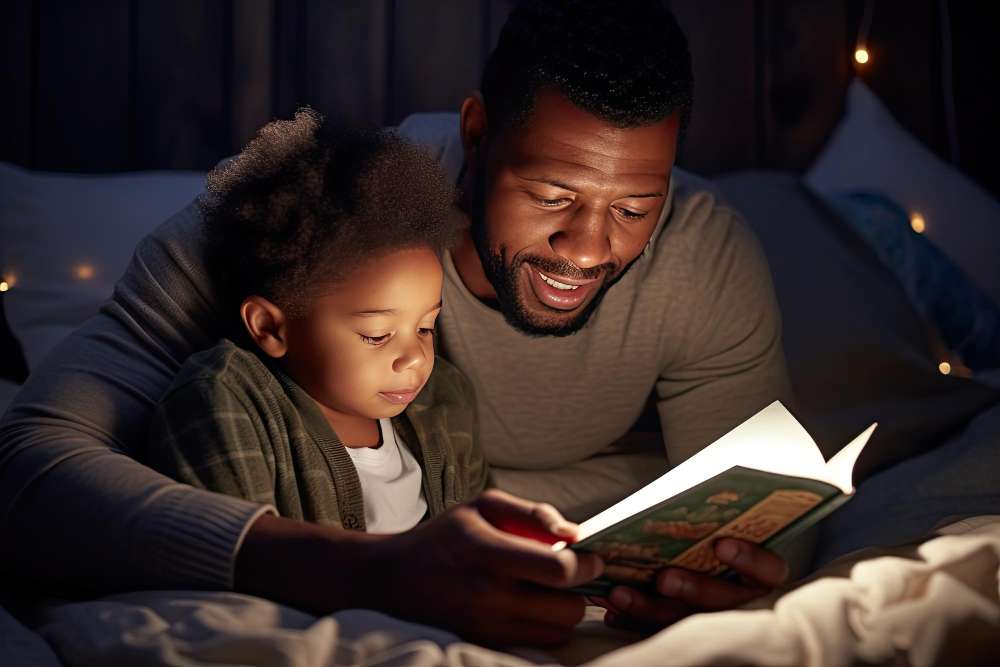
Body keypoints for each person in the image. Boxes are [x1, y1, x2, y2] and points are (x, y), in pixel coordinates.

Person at [0, 0, 789, 644]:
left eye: (632, 209)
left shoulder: (705, 258)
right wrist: (372, 568)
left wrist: (728, 575)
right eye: (551, 196)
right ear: (475, 132)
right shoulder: (317, 213)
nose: (587, 247)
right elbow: (25, 468)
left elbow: (760, 516)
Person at [143, 114, 493, 533]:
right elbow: (247, 566)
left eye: (426, 327)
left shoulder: (446, 400)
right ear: (271, 328)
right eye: (376, 335)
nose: (415, 359)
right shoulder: (223, 403)